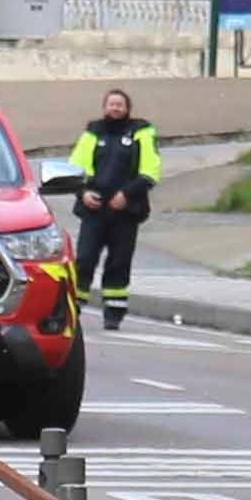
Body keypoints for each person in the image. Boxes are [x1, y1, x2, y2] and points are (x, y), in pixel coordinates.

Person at [68, 87, 162, 333]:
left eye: (120, 104)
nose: (115, 108)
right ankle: (73, 308)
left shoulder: (141, 132)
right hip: (95, 209)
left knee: (119, 263)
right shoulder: (93, 131)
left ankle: (113, 314)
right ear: (104, 107)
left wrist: (127, 194)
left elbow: (150, 171)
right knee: (85, 259)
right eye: (111, 104)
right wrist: (84, 193)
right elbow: (76, 168)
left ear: (127, 108)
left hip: (126, 211)